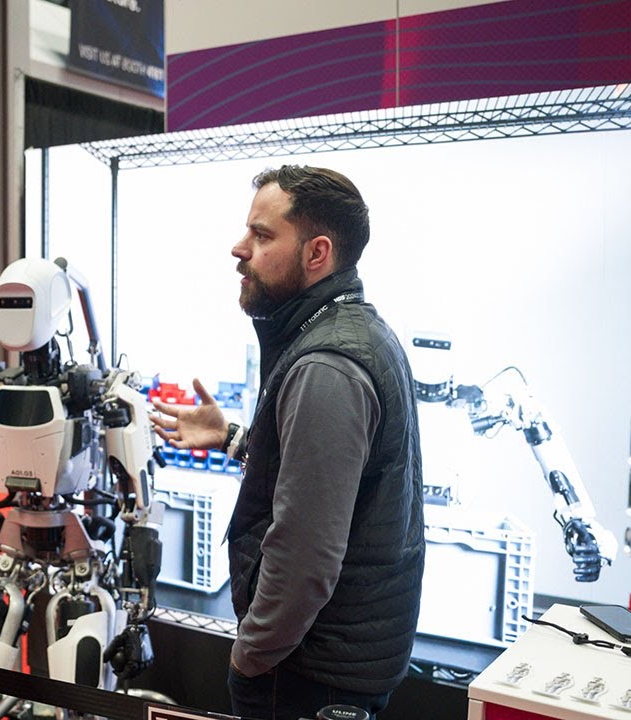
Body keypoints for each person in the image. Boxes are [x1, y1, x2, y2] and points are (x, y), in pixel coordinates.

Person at [151, 165, 424, 720]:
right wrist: (234, 438)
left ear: (317, 252)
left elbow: (306, 555)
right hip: (332, 661)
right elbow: (330, 482)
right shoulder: (352, 333)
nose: (239, 248)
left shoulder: (327, 366)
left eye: (261, 234)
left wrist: (251, 655)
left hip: (305, 673)